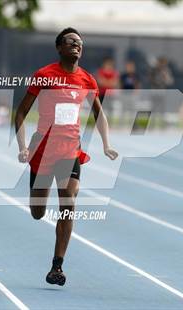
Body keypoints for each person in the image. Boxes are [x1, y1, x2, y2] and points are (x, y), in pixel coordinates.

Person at [15, 27, 118, 286]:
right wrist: (23, 146)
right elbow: (21, 113)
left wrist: (106, 144)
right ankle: (40, 200)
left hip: (70, 149)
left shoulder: (87, 80)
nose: (76, 46)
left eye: (79, 43)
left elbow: (99, 114)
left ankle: (57, 266)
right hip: (42, 151)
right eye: (71, 42)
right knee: (38, 212)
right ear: (59, 48)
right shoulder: (44, 75)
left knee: (68, 202)